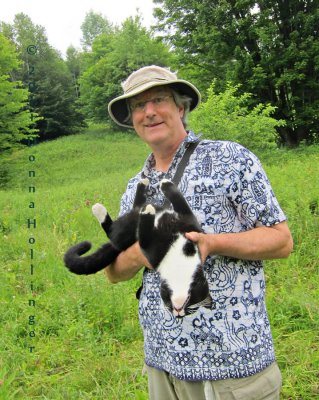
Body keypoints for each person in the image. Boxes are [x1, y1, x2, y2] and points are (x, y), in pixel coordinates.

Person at [106, 65, 293, 400]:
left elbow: (281, 240)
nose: (148, 112)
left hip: (230, 366)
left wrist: (212, 243)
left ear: (180, 107)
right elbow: (114, 272)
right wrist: (139, 254)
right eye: (137, 105)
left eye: (158, 99)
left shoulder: (230, 158)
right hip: (162, 363)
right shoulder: (135, 187)